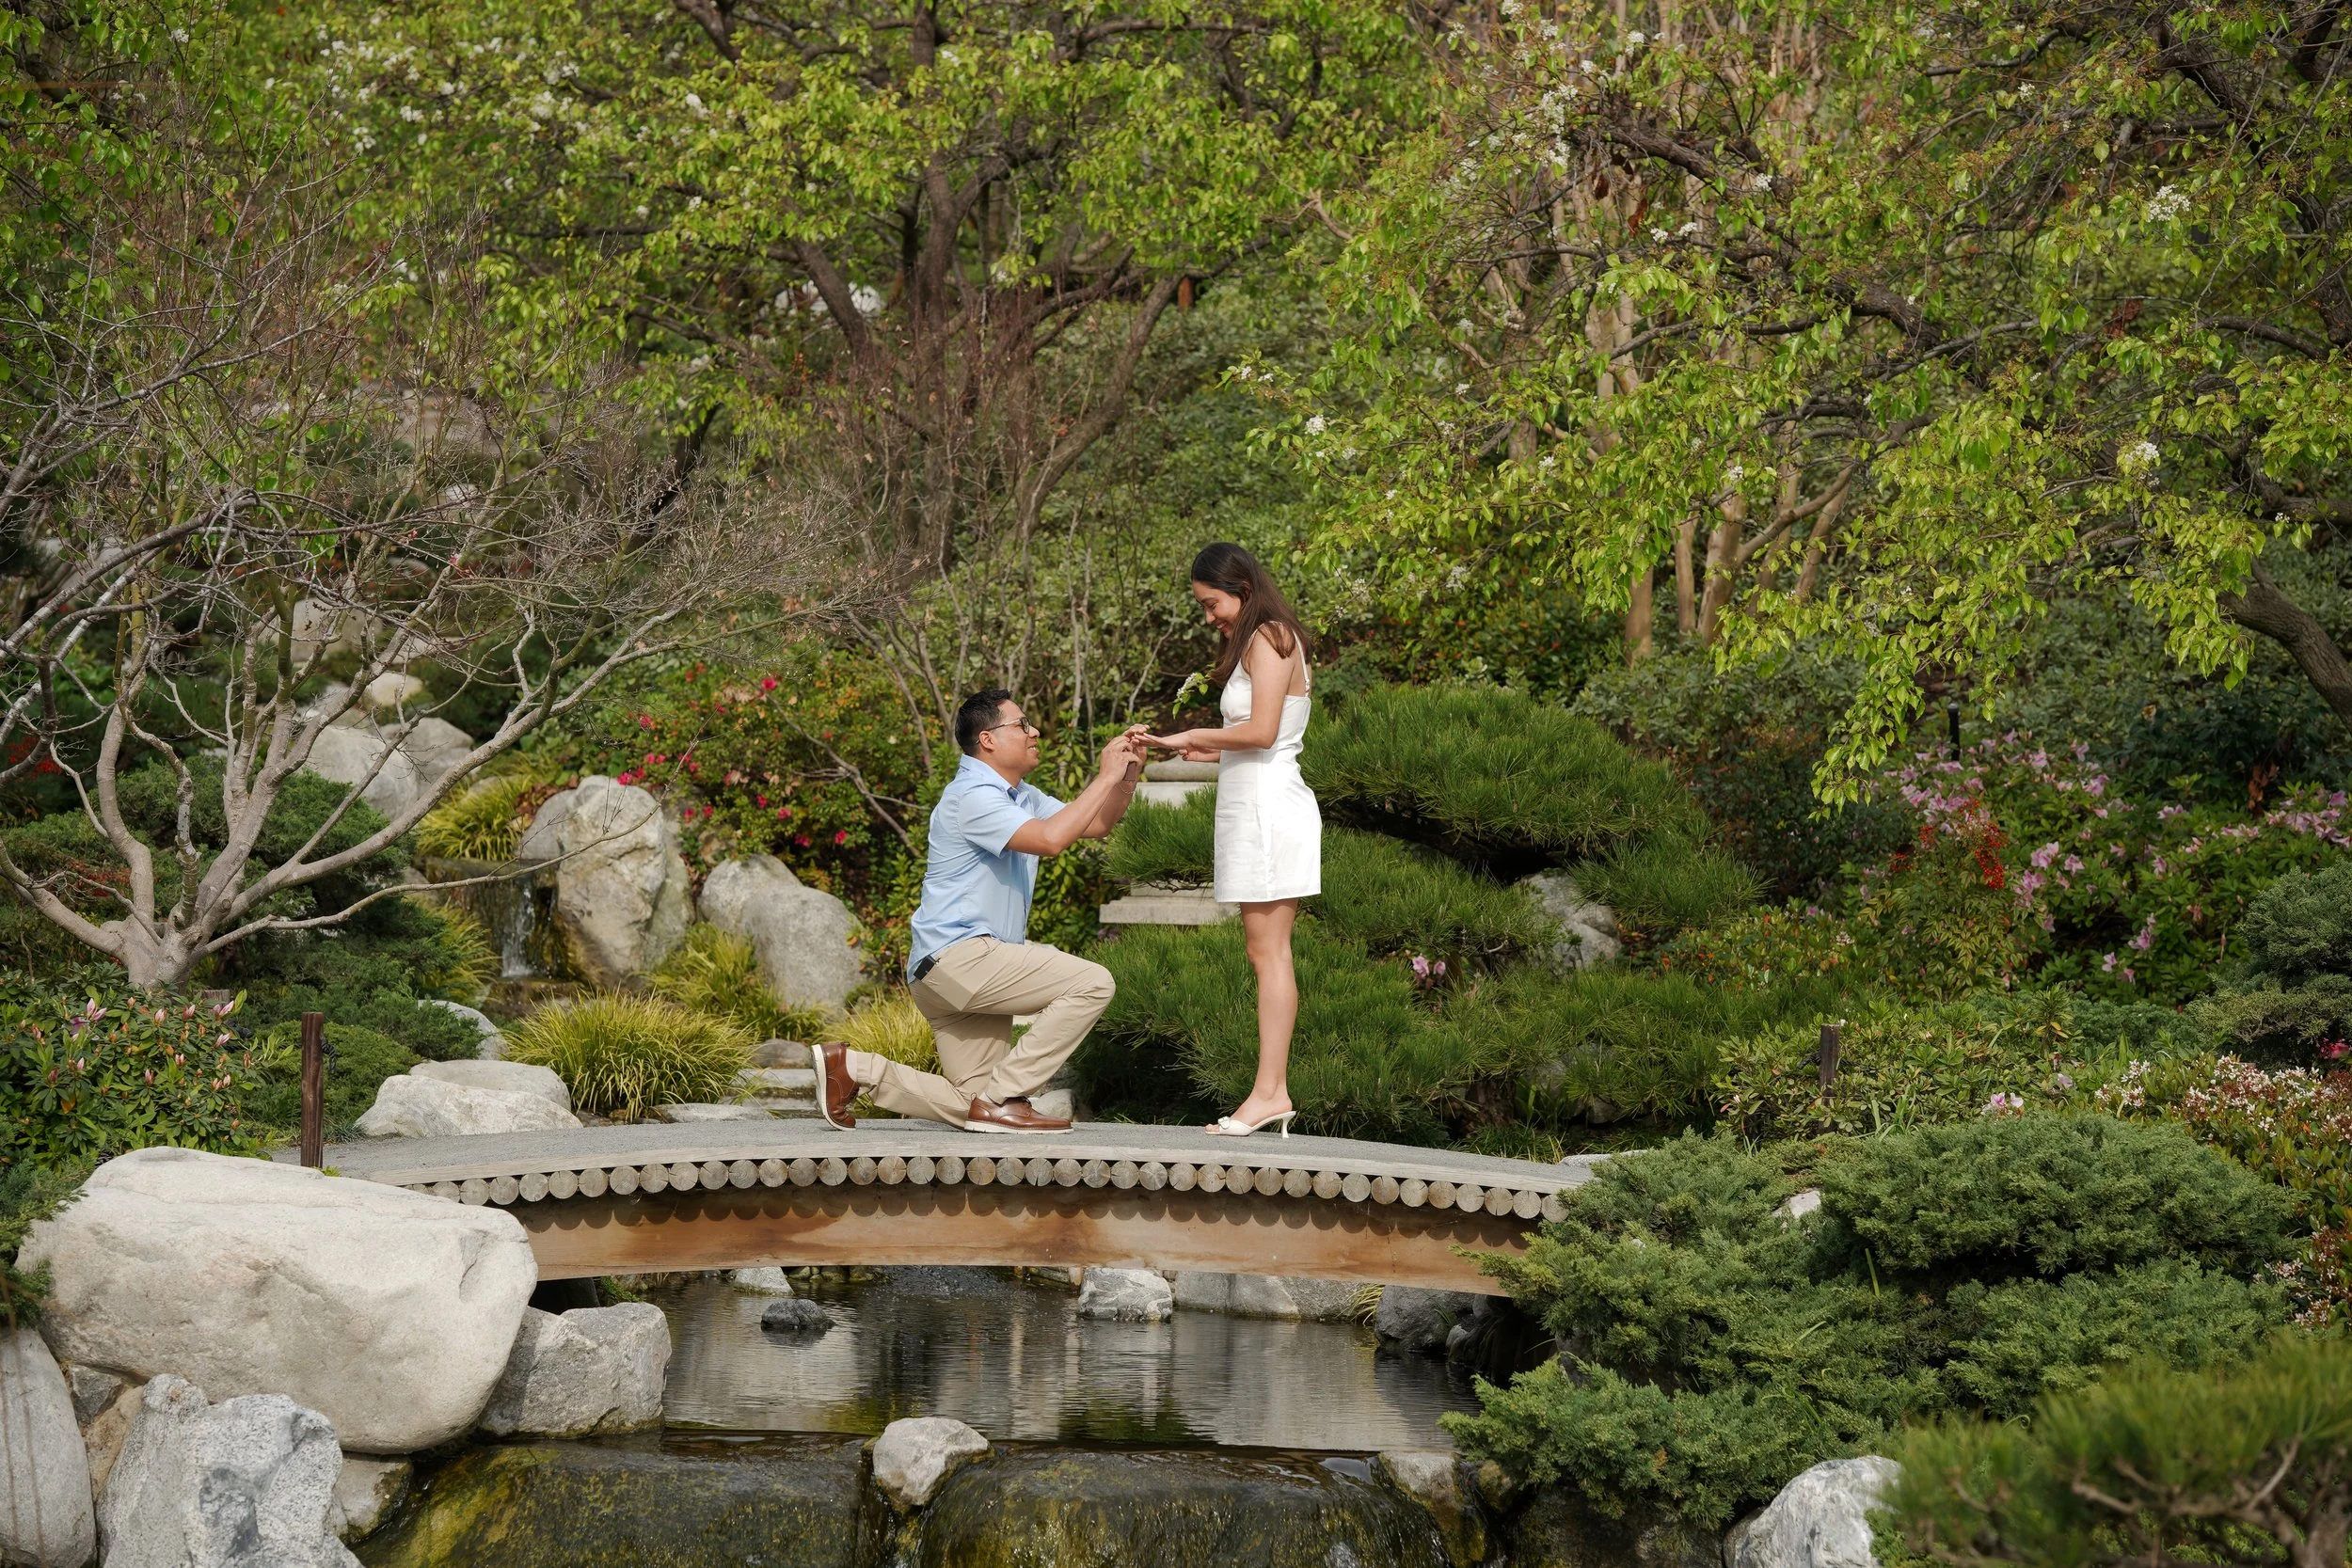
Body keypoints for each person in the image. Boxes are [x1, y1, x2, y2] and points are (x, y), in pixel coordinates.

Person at [810, 690, 1145, 1133]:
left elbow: (1095, 824)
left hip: (948, 970)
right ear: (987, 739)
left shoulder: (1018, 796)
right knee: (1092, 983)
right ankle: (1003, 1099)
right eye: (1022, 725)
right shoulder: (972, 795)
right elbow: (1050, 840)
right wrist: (1102, 777)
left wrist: (1125, 777)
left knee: (971, 1103)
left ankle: (853, 1070)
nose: (1035, 732)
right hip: (963, 958)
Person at [1134, 542, 1320, 1137]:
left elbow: (1264, 732)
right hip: (1253, 802)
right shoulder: (1259, 638)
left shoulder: (1270, 635)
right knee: (1261, 952)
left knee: (1271, 954)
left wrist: (1193, 730)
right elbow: (1259, 734)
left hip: (1268, 807)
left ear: (1241, 588)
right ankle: (1271, 1090)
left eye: (1211, 603)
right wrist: (1205, 747)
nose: (1209, 616)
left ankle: (1270, 1092)